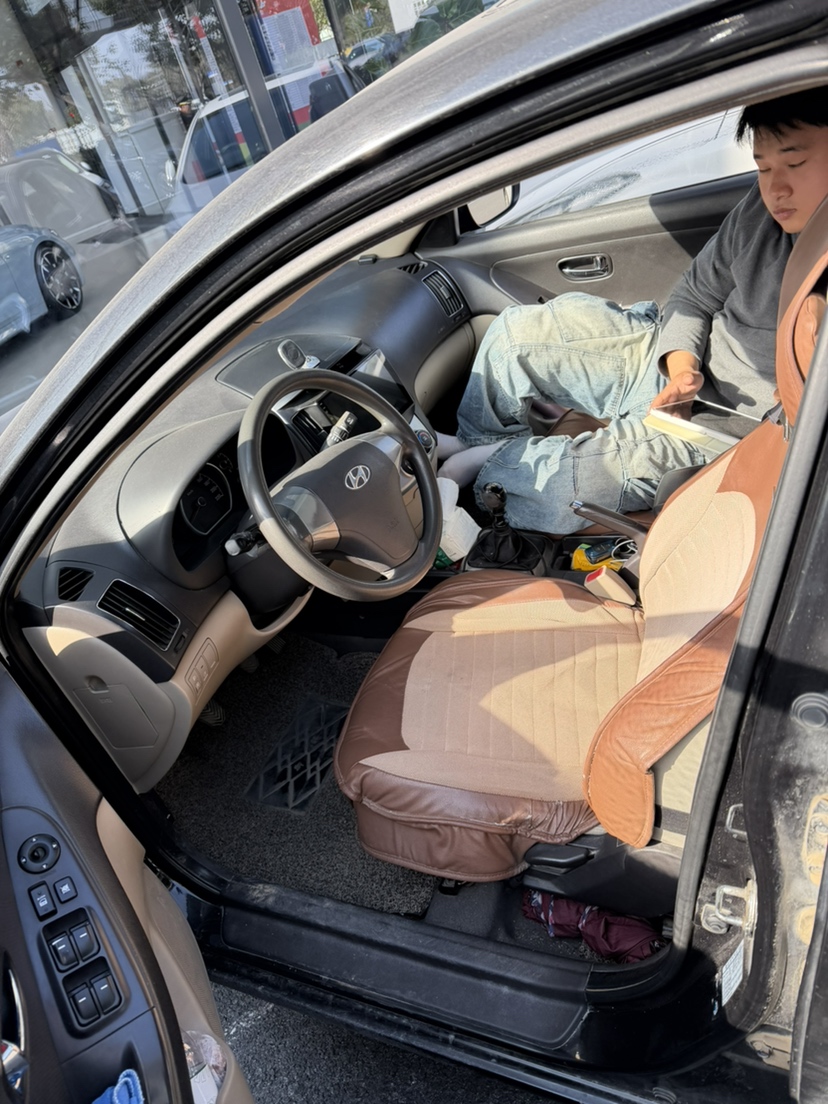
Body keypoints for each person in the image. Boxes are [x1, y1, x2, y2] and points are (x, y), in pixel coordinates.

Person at [438, 87, 828, 534]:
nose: (776, 188)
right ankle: (478, 446)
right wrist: (681, 368)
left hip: (721, 432)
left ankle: (485, 463)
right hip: (671, 368)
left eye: (795, 163)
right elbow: (694, 294)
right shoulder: (758, 215)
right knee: (515, 337)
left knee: (553, 488)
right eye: (762, 168)